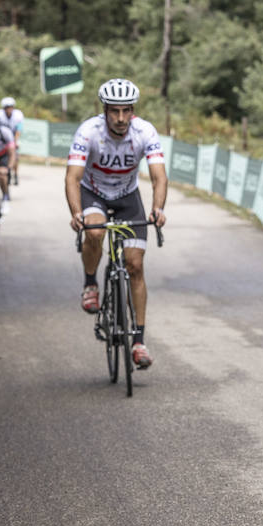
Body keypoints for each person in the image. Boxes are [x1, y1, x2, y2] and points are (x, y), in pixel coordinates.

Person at [65, 78, 168, 370]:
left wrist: (158, 208)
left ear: (133, 110)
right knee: (95, 232)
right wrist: (76, 213)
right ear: (105, 110)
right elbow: (72, 178)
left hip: (127, 195)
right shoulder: (88, 131)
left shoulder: (145, 131)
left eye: (126, 111)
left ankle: (138, 340)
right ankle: (90, 283)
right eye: (114, 111)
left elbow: (159, 177)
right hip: (93, 192)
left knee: (135, 265)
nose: (121, 118)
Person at [0, 97, 25, 185]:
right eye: (7, 107)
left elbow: (18, 130)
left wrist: (15, 142)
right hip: (3, 138)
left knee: (15, 156)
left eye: (11, 107)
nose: (9, 109)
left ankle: (15, 174)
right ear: (4, 108)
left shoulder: (18, 115)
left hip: (14, 136)